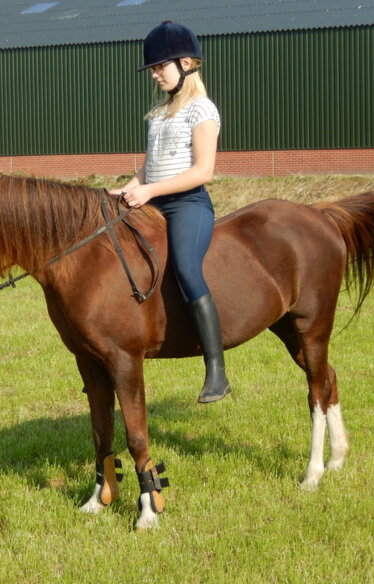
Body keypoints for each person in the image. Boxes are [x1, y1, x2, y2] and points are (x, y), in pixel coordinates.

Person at [111, 21, 230, 404]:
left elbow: (202, 171)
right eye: (153, 68)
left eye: (160, 66)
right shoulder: (161, 113)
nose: (155, 74)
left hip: (187, 204)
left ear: (186, 63)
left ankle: (216, 370)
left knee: (187, 270)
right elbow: (150, 167)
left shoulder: (202, 110)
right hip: (154, 200)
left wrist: (149, 191)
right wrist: (127, 188)